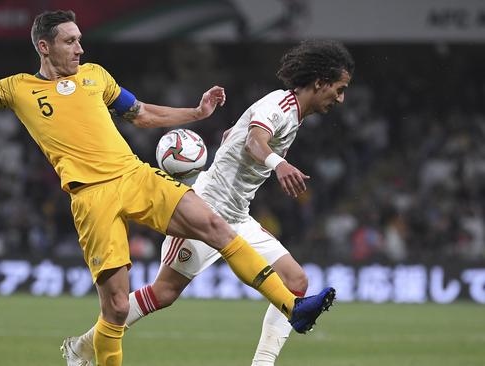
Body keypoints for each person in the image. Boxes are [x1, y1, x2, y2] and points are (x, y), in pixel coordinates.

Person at [0, 10, 335, 366]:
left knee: (214, 224)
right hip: (90, 197)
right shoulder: (18, 89)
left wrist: (195, 114)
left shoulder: (96, 77)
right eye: (69, 42)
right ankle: (89, 353)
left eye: (80, 40)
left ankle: (292, 306)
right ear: (44, 47)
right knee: (114, 306)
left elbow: (142, 113)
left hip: (135, 176)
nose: (79, 49)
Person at [63, 40, 354, 366]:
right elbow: (254, 140)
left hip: (237, 216)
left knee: (296, 281)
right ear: (320, 83)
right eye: (339, 89)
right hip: (203, 210)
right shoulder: (281, 105)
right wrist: (279, 164)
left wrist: (237, 133)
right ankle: (84, 346)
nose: (340, 99)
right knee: (164, 294)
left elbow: (240, 134)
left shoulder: (291, 114)